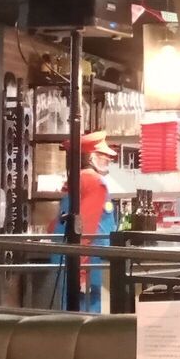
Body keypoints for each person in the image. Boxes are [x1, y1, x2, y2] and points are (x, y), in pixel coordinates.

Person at [76, 132, 117, 313]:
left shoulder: (80, 178)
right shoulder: (94, 182)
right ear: (91, 157)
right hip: (90, 259)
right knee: (89, 316)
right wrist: (82, 272)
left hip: (85, 258)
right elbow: (88, 226)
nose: (108, 160)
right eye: (103, 156)